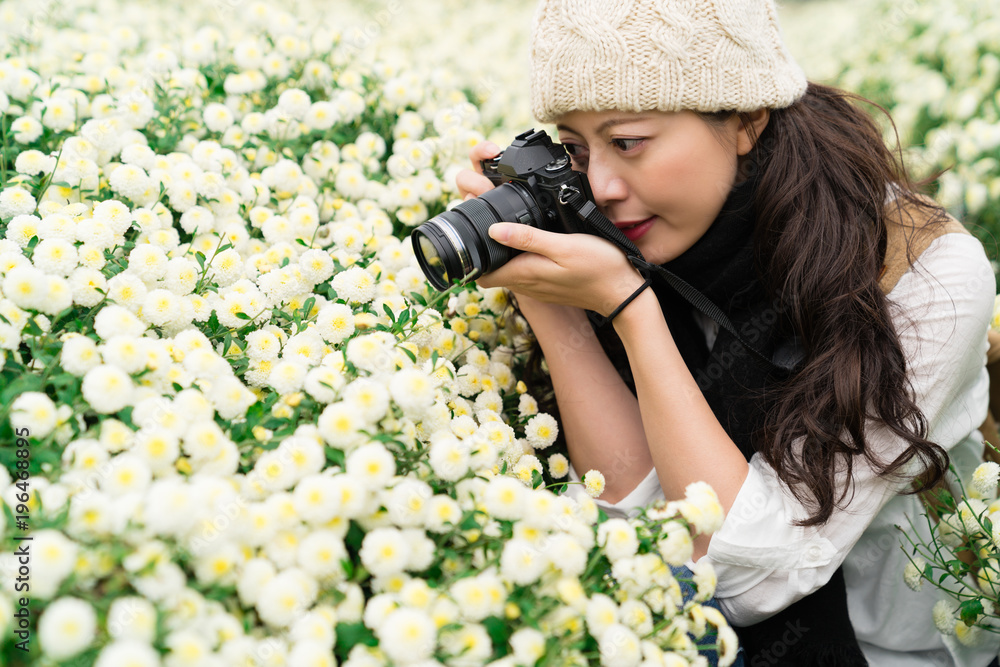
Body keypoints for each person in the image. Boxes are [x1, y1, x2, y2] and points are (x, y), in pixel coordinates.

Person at [455, 1, 1000, 665]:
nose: (599, 183)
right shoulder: (619, 237)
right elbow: (637, 520)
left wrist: (631, 309)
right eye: (574, 147)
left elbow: (746, 572)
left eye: (627, 141)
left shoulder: (925, 274)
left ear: (745, 119)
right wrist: (542, 291)